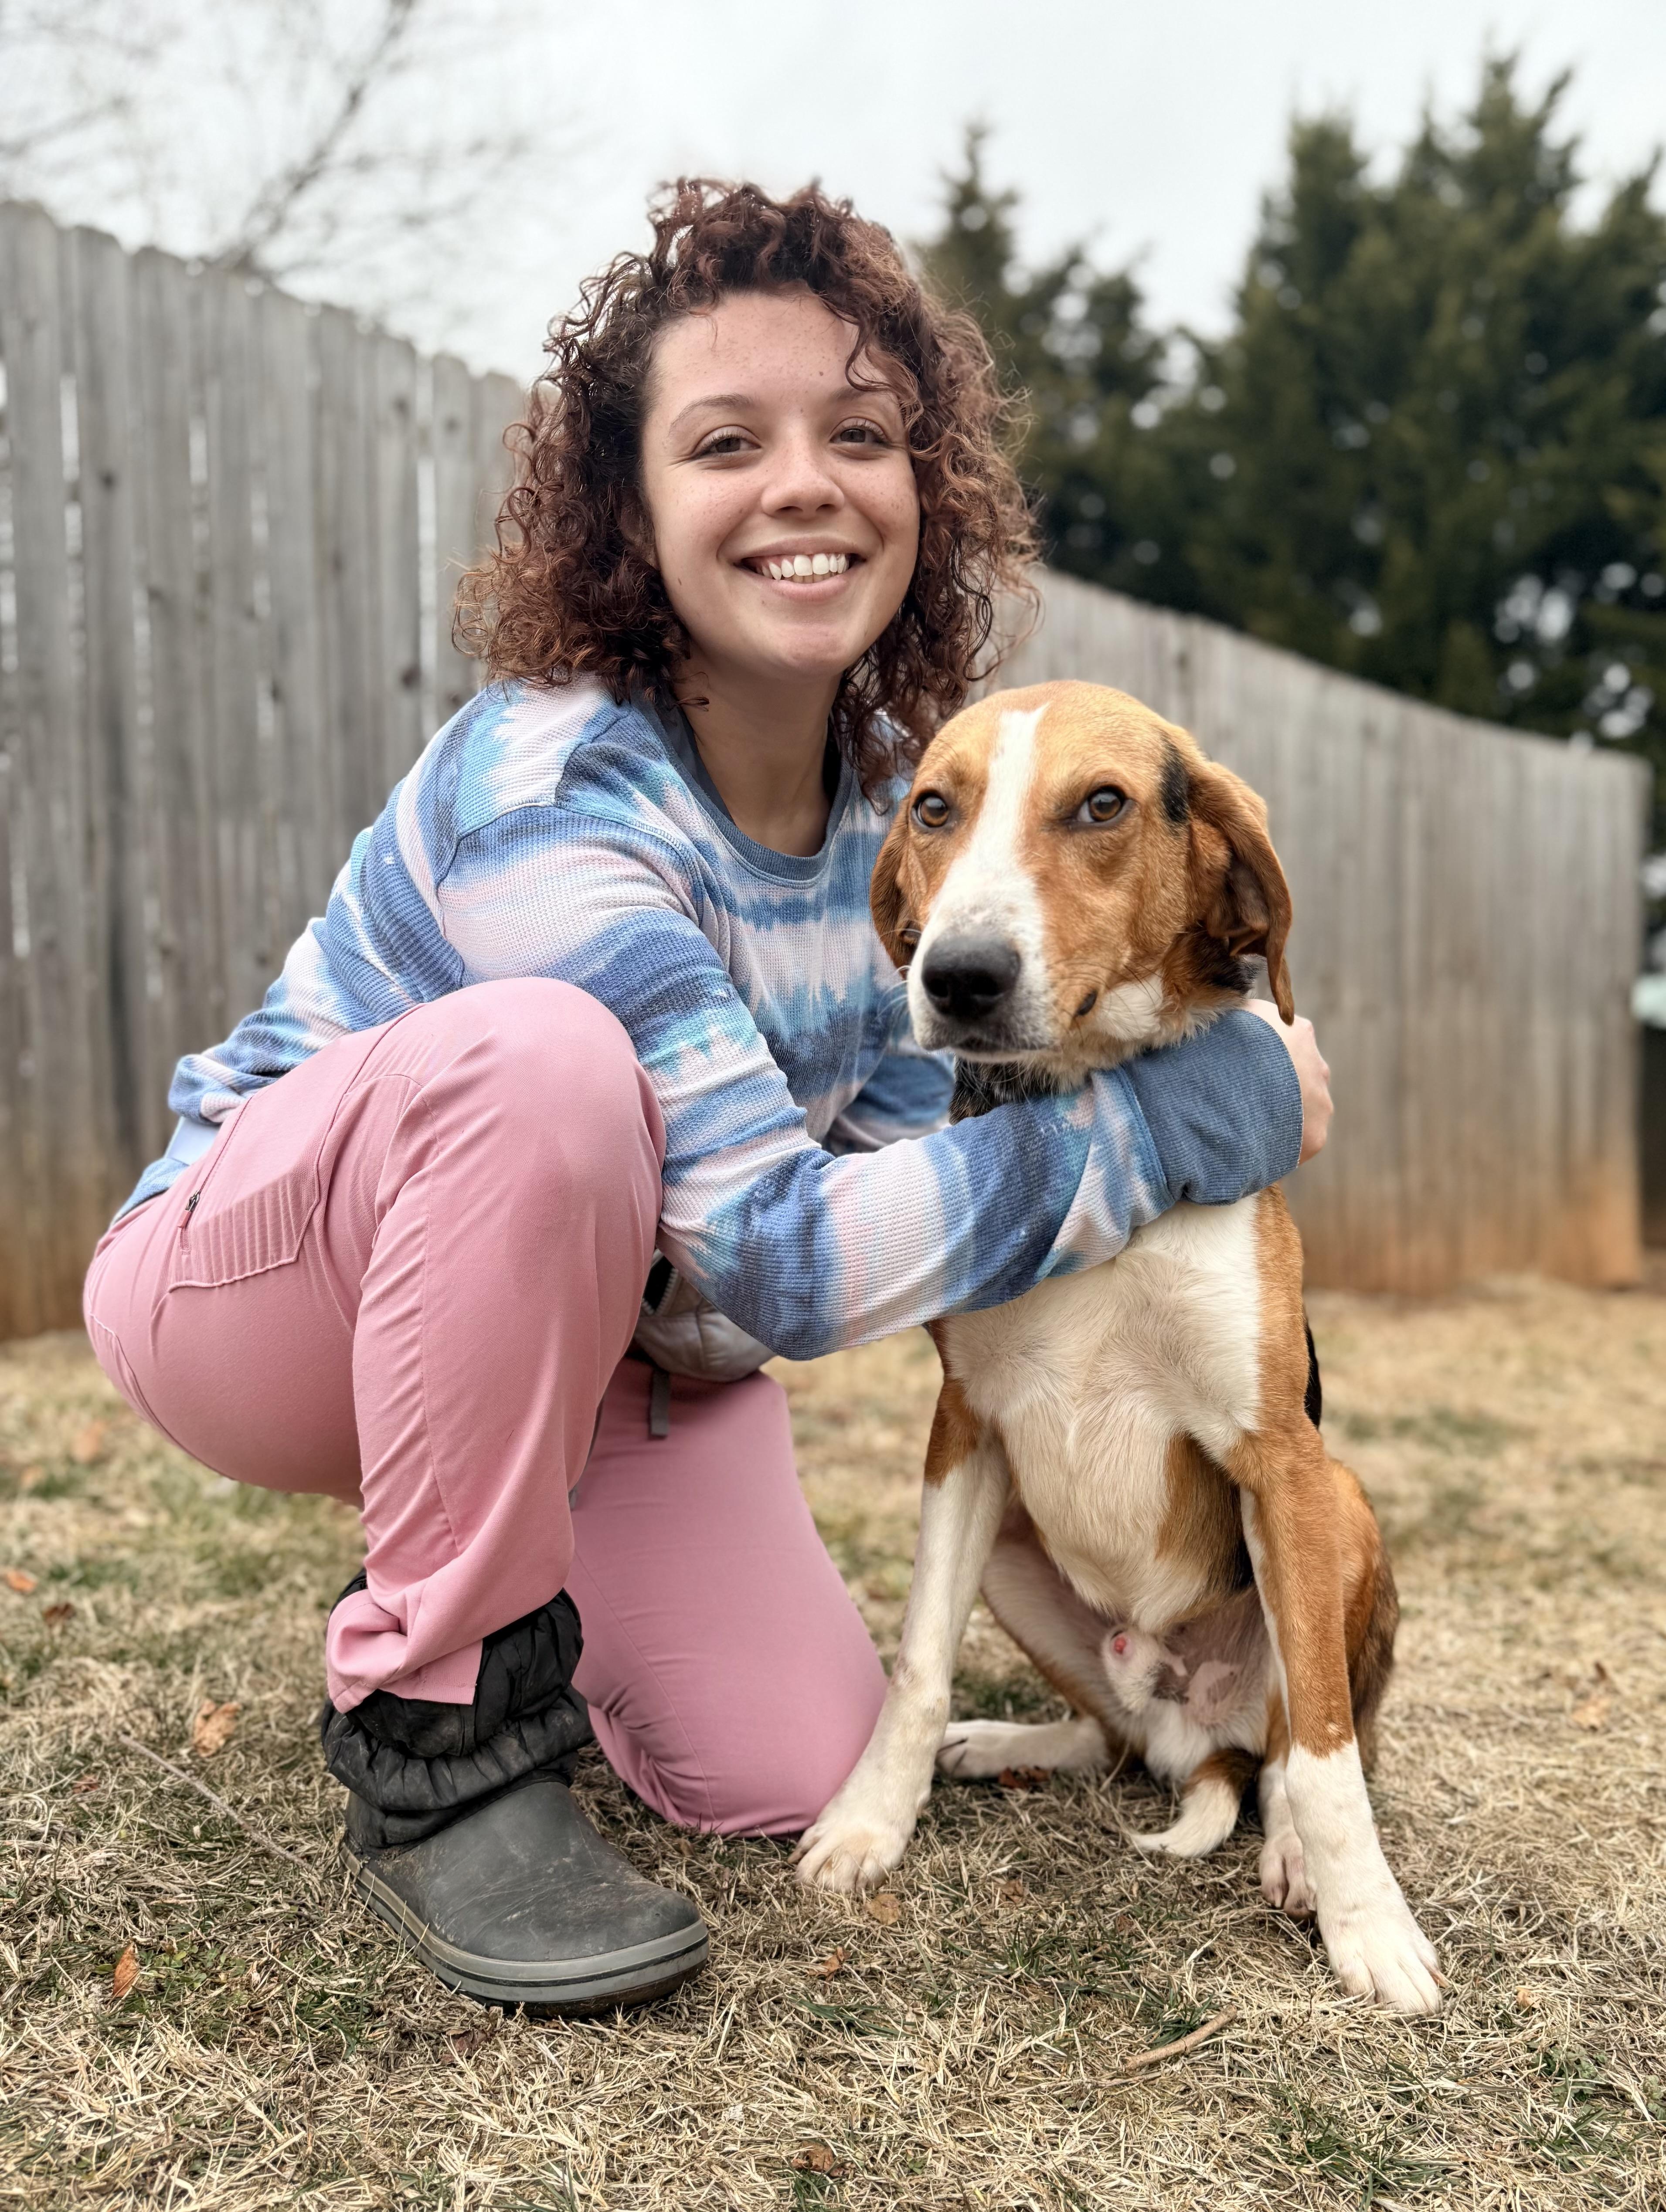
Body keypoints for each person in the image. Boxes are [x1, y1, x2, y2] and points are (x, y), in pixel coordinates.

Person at [82, 181, 1333, 2015]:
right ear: (632, 505)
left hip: (625, 1350)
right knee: (542, 1069)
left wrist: (1160, 1043)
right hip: (252, 1283)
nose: (804, 484)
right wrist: (1198, 1112)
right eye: (725, 441)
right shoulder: (548, 779)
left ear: (928, 491)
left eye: (861, 436)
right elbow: (786, 1263)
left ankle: (521, 1550)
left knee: (788, 1761)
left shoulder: (908, 816)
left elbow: (948, 1166)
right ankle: (438, 1732)